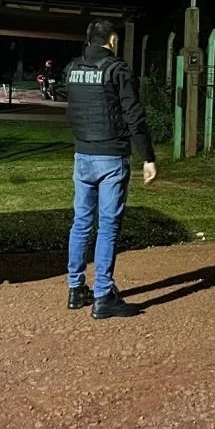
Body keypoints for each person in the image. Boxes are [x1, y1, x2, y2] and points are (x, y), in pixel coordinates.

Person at [62, 18, 158, 319]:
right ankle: (103, 295)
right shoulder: (118, 70)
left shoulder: (72, 69)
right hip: (111, 157)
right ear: (112, 41)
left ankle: (76, 290)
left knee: (81, 222)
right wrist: (148, 157)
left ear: (89, 39)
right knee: (108, 226)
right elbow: (134, 115)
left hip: (82, 156)